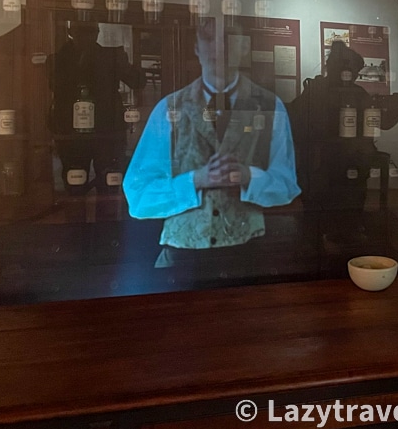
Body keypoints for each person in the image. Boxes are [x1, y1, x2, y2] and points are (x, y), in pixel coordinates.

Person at [123, 17, 300, 268]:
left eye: (228, 37)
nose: (219, 48)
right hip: (182, 258)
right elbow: (138, 196)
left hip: (249, 254)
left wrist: (248, 176)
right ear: (196, 46)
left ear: (244, 46)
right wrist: (196, 180)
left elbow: (287, 185)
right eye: (207, 38)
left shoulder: (271, 108)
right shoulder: (169, 109)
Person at [286, 40, 398, 212]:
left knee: (338, 207)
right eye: (352, 71)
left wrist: (391, 109)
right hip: (325, 164)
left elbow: (382, 123)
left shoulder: (349, 92)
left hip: (338, 165)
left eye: (355, 73)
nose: (352, 76)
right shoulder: (319, 90)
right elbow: (297, 123)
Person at [47, 19, 145, 193]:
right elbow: (56, 88)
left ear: (97, 33)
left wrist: (123, 64)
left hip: (106, 131)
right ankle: (77, 219)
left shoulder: (111, 56)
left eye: (90, 32)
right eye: (81, 32)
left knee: (109, 183)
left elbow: (137, 81)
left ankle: (106, 219)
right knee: (75, 185)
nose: (86, 37)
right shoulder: (58, 58)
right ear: (71, 33)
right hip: (72, 133)